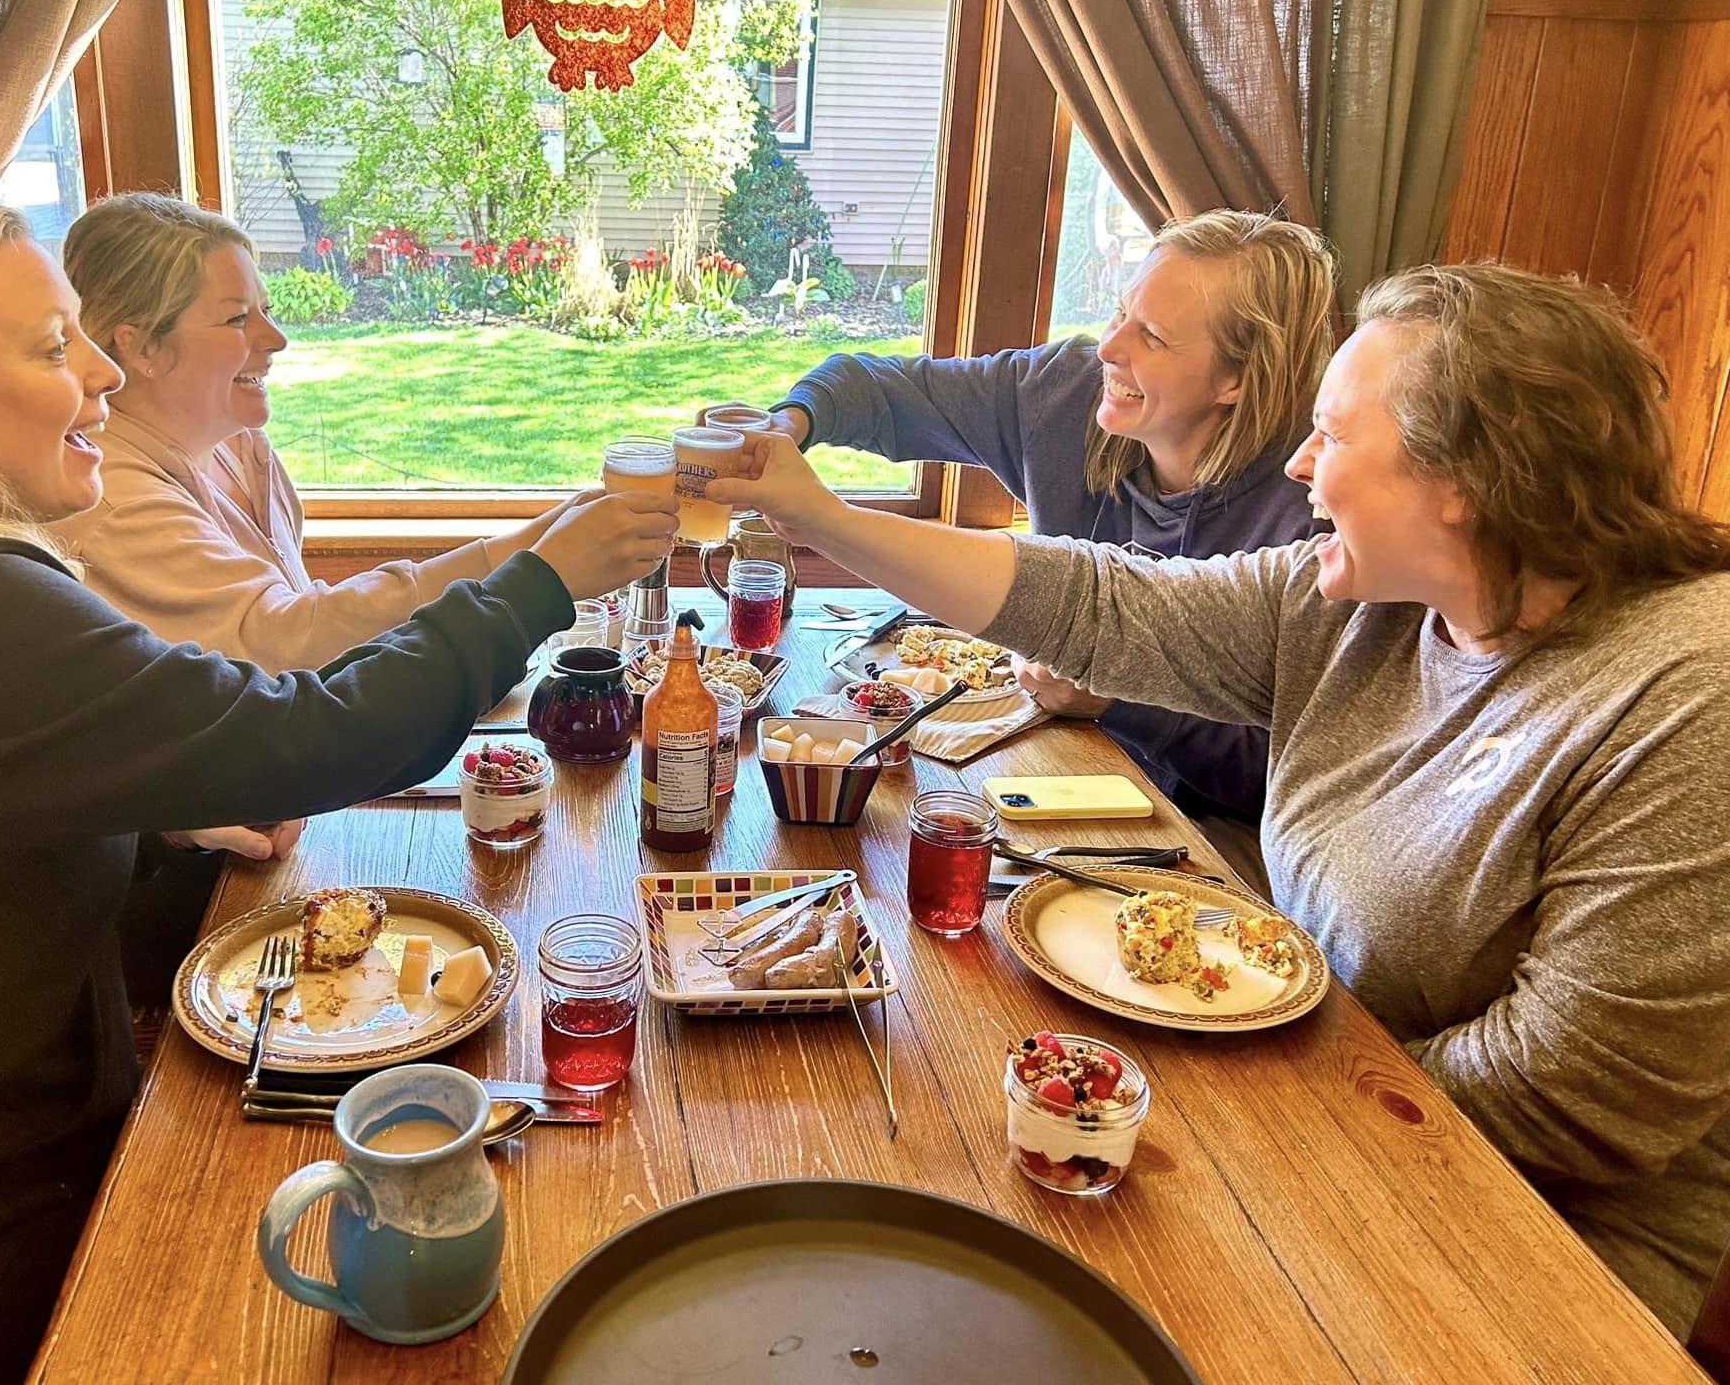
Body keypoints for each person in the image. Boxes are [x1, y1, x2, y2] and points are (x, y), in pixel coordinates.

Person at [0, 200, 675, 1379]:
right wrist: (535, 586)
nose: (101, 372)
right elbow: (310, 734)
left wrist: (146, 808)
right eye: (52, 346)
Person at [706, 263, 1730, 1336]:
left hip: (1525, 1247)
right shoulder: (1365, 602)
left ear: (1464, 480)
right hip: (1319, 1113)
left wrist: (1240, 1104)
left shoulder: (1685, 694)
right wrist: (813, 511)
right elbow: (1098, 603)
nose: (1297, 464)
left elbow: (1570, 1098)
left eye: (1332, 435)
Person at [710, 210, 1336, 832]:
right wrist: (791, 423)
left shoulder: (1316, 511)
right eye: (1120, 313)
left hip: (1205, 826)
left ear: (1235, 378)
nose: (1109, 349)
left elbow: (1288, 771)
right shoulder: (1065, 393)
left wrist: (1120, 701)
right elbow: (872, 386)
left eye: (1152, 337)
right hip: (1055, 767)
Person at [52, 192, 589, 673]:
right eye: (237, 319)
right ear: (142, 345)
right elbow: (285, 642)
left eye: (266, 310)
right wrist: (526, 563)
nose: (276, 338)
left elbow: (304, 621)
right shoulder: (112, 500)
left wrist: (541, 536)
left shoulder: (238, 445)